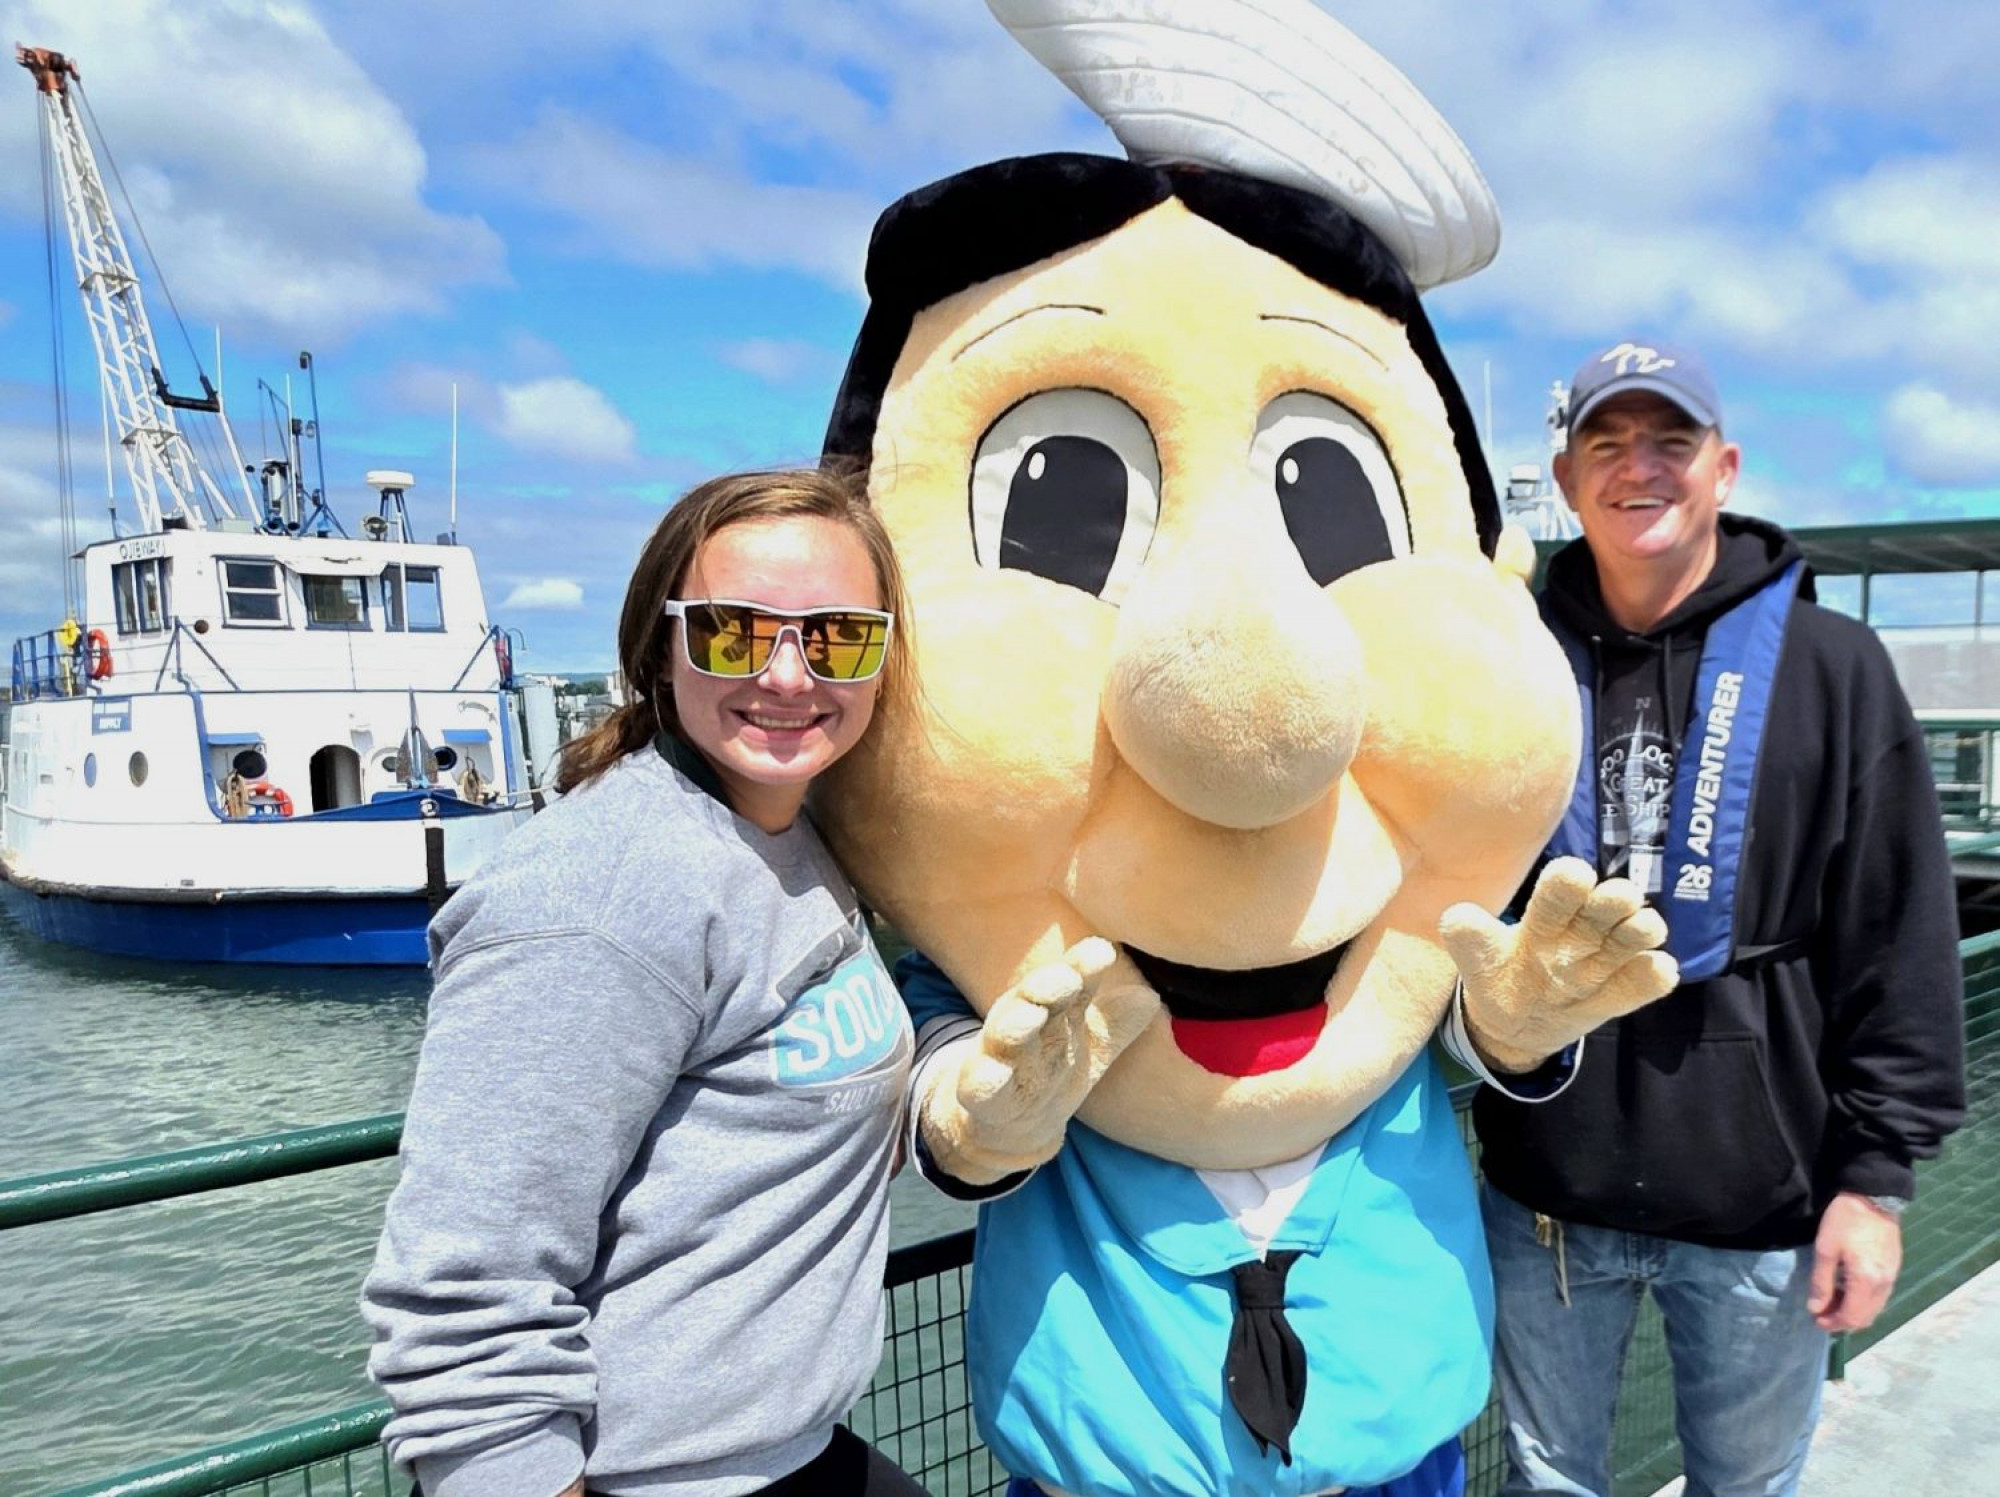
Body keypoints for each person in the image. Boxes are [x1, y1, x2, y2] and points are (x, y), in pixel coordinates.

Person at [360, 467, 927, 1497]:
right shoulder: (602, 897)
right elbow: (463, 1291)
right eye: (732, 633)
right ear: (659, 648)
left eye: (840, 636)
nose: (792, 676)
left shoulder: (793, 839)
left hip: (789, 1454)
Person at [1473, 340, 1968, 1497]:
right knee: (1544, 1485)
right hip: (1547, 1194)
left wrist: (1875, 1184)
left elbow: (1897, 935)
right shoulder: (1508, 668)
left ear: (1723, 468)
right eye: (1604, 442)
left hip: (1766, 1199)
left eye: (1667, 440)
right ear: (1564, 471)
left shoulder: (1832, 664)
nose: (1634, 467)